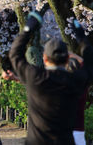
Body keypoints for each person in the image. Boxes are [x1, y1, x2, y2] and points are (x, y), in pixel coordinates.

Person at [8, 12, 93, 145]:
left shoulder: (35, 77)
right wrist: (81, 37)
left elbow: (14, 54)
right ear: (67, 59)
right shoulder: (75, 80)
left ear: (45, 58)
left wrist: (28, 28)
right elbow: (89, 63)